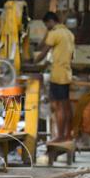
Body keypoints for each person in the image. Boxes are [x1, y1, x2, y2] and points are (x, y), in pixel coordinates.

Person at [34, 11, 75, 143]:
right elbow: (71, 56)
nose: (47, 28)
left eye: (47, 25)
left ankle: (60, 136)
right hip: (67, 73)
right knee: (66, 106)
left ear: (51, 21)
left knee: (58, 107)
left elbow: (44, 52)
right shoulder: (69, 33)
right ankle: (68, 134)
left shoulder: (55, 33)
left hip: (57, 75)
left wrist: (31, 61)